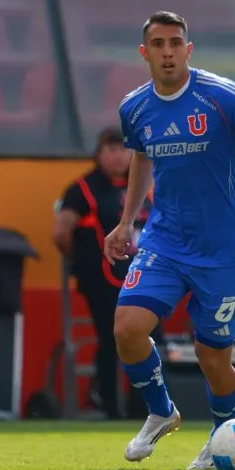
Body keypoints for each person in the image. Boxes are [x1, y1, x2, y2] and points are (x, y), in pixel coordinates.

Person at [103, 11, 235, 470]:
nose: (168, 52)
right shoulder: (134, 107)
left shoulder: (219, 96)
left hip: (224, 247)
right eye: (158, 44)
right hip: (166, 239)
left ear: (188, 50)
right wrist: (127, 222)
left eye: (176, 43)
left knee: (214, 357)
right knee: (128, 327)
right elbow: (141, 158)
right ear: (145, 52)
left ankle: (221, 437)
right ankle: (160, 410)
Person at [53, 128, 155, 419]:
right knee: (111, 341)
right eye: (111, 149)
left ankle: (146, 409)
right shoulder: (83, 190)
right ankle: (110, 407)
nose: (119, 156)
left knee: (148, 340)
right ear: (99, 154)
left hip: (143, 278)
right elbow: (61, 232)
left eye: (124, 150)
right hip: (103, 279)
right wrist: (82, 262)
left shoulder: (143, 188)